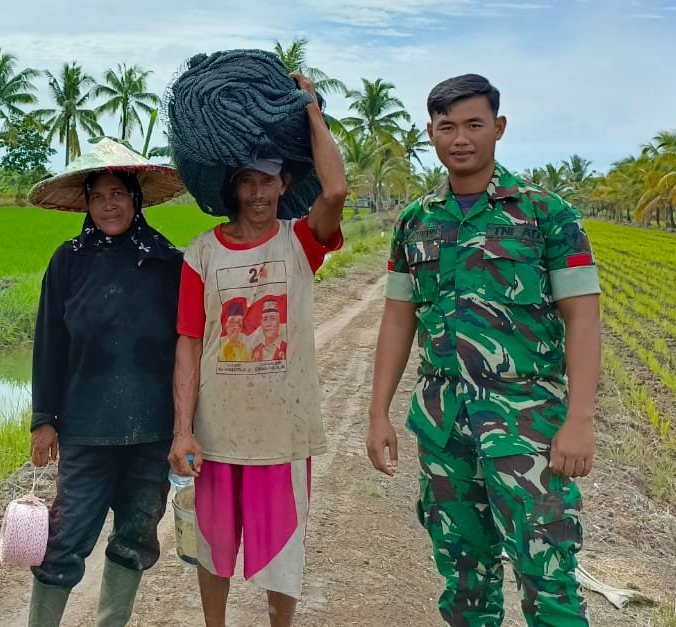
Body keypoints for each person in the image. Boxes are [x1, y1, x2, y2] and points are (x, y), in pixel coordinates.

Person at [365, 73, 602, 627]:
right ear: (431, 133)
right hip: (444, 423)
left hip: (528, 422)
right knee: (464, 576)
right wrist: (378, 412)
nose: (460, 138)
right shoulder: (415, 222)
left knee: (548, 574)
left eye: (474, 124)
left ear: (499, 127)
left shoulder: (546, 214)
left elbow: (583, 317)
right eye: (447, 127)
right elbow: (398, 319)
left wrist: (580, 419)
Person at [169, 72, 349, 627]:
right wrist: (182, 430)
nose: (257, 194)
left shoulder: (300, 242)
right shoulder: (202, 252)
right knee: (211, 547)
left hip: (283, 431)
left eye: (267, 181)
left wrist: (311, 108)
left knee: (282, 556)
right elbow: (189, 344)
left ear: (284, 183)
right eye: (246, 182)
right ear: (232, 188)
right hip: (217, 433)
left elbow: (335, 192)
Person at [23, 138, 188, 627]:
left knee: (136, 536)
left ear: (135, 199)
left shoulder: (168, 262)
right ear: (86, 204)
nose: (108, 205)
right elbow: (49, 344)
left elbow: (188, 349)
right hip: (86, 430)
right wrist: (43, 419)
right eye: (97, 196)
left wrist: (186, 427)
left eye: (118, 193)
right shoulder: (68, 260)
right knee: (65, 538)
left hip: (153, 431)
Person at [252, 298, 288, 362]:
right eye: (265, 319)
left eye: (272, 318)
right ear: (261, 324)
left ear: (278, 322)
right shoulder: (256, 351)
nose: (268, 324)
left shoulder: (287, 348)